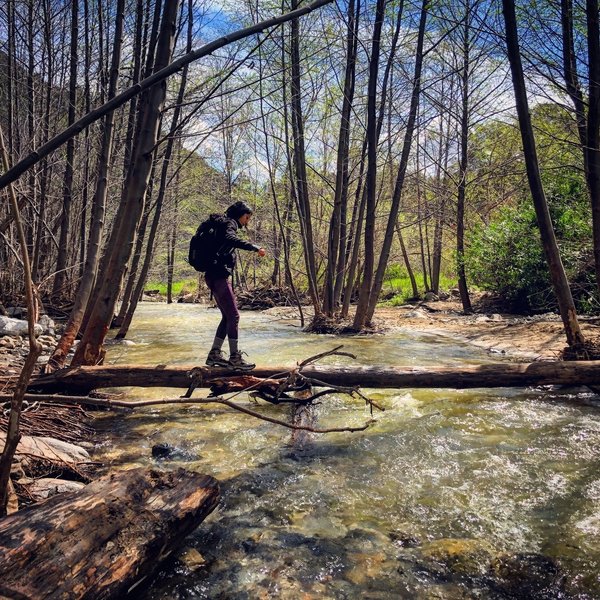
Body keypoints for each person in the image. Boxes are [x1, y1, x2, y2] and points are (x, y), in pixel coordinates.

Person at [205, 201, 266, 370]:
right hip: (218, 276)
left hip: (213, 275)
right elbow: (229, 238)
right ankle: (235, 358)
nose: (247, 221)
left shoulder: (220, 224)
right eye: (247, 217)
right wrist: (254, 247)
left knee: (227, 317)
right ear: (240, 215)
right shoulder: (229, 224)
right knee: (234, 316)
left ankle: (214, 355)